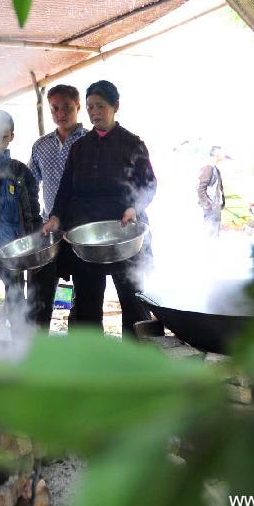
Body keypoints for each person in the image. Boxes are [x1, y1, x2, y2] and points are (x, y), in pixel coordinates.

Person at [43, 80, 156, 338]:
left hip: (125, 232)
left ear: (116, 107)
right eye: (91, 107)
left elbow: (148, 183)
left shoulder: (132, 143)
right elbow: (65, 189)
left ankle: (138, 359)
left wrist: (134, 207)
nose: (94, 112)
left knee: (133, 298)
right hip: (87, 237)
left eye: (101, 106)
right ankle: (88, 359)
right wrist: (56, 217)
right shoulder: (79, 148)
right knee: (86, 303)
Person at [27, 84, 87, 328]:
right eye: (55, 108)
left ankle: (80, 345)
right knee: (41, 288)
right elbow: (31, 184)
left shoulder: (89, 142)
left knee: (84, 291)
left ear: (78, 107)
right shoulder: (41, 146)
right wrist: (35, 220)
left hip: (83, 229)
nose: (60, 113)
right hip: (50, 228)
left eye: (66, 108)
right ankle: (37, 344)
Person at [0, 109, 40, 332]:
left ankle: (20, 354)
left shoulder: (21, 172)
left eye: (4, 136)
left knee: (16, 300)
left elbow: (32, 212)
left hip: (11, 247)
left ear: (11, 136)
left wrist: (33, 245)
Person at [198, 146, 226, 236]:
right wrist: (207, 204)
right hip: (210, 207)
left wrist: (221, 203)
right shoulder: (208, 167)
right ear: (216, 155)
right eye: (222, 153)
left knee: (214, 233)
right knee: (210, 234)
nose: (224, 155)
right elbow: (200, 188)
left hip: (215, 206)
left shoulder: (215, 168)